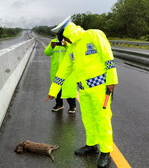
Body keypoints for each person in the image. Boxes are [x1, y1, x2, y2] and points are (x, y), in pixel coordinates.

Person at [46, 16, 118, 168]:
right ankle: (92, 145)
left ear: (67, 33)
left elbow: (108, 56)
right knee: (87, 118)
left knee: (102, 119)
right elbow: (63, 71)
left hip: (100, 88)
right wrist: (53, 90)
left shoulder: (93, 34)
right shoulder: (71, 49)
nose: (64, 42)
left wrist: (112, 80)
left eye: (63, 38)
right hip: (83, 90)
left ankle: (106, 152)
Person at [44, 37, 77, 113]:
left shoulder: (69, 41)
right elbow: (46, 53)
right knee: (57, 89)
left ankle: (72, 106)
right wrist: (51, 47)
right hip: (56, 70)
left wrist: (65, 45)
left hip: (68, 71)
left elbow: (74, 51)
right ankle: (59, 105)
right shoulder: (53, 41)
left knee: (69, 89)